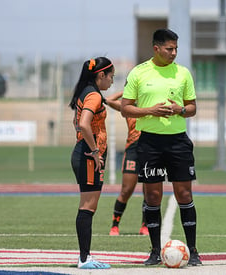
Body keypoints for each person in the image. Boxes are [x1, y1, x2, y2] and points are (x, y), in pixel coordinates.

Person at [121, 28, 201, 266]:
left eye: (176, 48)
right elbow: (126, 107)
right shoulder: (138, 72)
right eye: (169, 49)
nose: (174, 53)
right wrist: (150, 111)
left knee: (184, 194)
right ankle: (155, 251)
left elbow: (193, 108)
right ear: (156, 48)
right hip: (149, 143)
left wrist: (181, 110)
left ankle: (194, 251)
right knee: (153, 195)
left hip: (178, 142)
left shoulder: (183, 73)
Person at [69, 57, 115, 269]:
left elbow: (76, 122)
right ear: (101, 75)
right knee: (87, 206)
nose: (112, 81)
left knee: (90, 206)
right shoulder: (94, 95)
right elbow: (83, 124)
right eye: (111, 77)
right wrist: (95, 151)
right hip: (89, 157)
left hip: (87, 154)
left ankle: (85, 256)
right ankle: (84, 258)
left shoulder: (87, 92)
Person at [105, 91, 149, 236]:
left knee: (149, 191)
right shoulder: (128, 108)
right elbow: (109, 99)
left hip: (150, 149)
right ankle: (115, 226)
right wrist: (126, 92)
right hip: (133, 150)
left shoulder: (152, 106)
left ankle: (145, 226)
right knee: (126, 190)